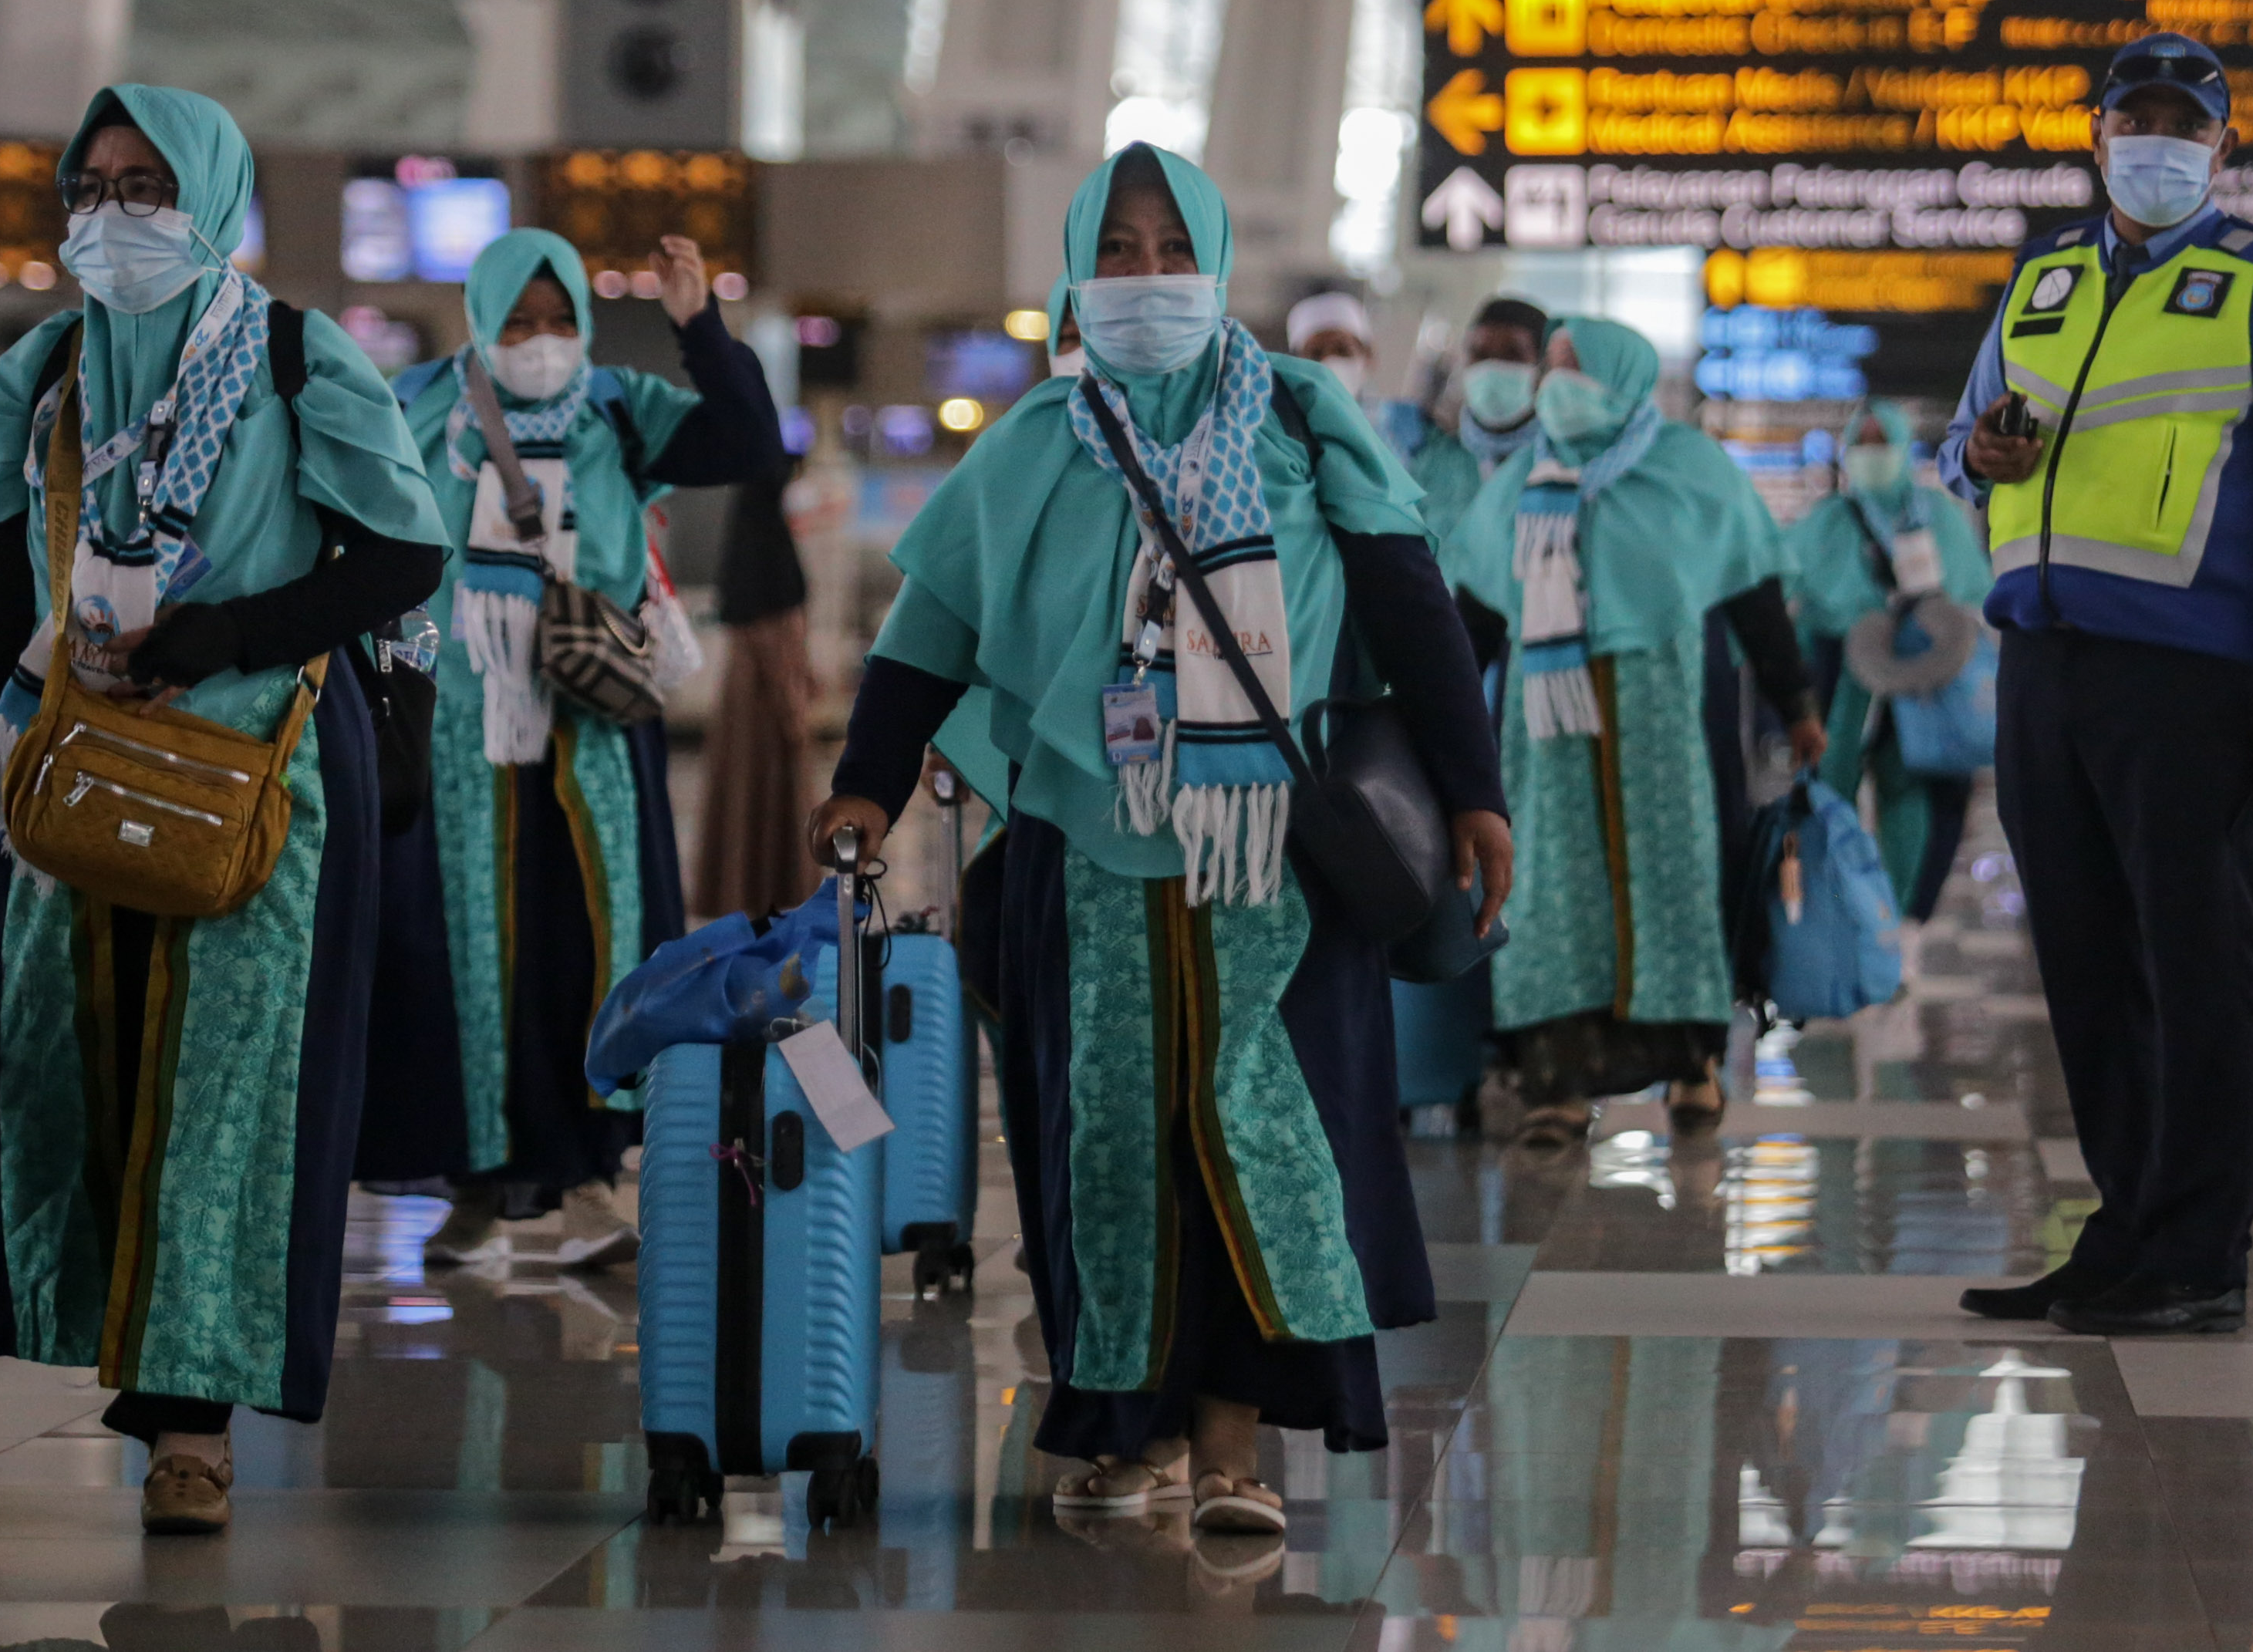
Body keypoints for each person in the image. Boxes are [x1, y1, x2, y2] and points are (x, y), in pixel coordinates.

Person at [807, 142, 1509, 1541]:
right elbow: (923, 637)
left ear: (1217, 265)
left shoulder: (1305, 424)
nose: (1143, 278)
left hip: (1275, 859)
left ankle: (1235, 1444)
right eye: (1116, 252)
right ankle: (1121, 1423)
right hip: (1091, 844)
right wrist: (865, 787)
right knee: (1106, 1138)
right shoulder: (1026, 451)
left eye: (1169, 249)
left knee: (1254, 1130)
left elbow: (1413, 606)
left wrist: (1476, 790)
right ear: (1075, 273)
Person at [0, 85, 447, 1536]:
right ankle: (89, 1352)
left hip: (258, 774)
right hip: (76, 766)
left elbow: (401, 553)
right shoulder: (48, 372)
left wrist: (218, 639)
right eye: (89, 190)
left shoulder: (288, 356)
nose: (113, 217)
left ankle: (190, 1428)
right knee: (55, 1068)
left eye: (147, 187)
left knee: (224, 1097)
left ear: (211, 198)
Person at [1942, 32, 2253, 1339]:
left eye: (2188, 121)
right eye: (2138, 117)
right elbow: (1967, 443)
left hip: (2191, 677)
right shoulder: (2044, 276)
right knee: (2085, 961)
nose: (2159, 138)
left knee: (2195, 964)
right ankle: (2127, 1227)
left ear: (2225, 149)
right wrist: (1987, 450)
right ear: (2098, 133)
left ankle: (2200, 1251)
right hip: (2044, 664)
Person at [366, 227, 783, 1270]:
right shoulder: (419, 403)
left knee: (593, 943)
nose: (543, 339)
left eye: (560, 320)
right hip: (458, 725)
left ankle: (594, 1174)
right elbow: (373, 541)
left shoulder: (616, 407)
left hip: (592, 724)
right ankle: (474, 1181)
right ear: (481, 317)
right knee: (458, 953)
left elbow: (746, 443)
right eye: (520, 319)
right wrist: (389, 679)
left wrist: (700, 327)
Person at [1442, 317, 1824, 1145]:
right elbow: (1470, 615)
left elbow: (1753, 593)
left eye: (1573, 367)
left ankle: (1692, 1065)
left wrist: (1796, 704)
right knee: (1551, 897)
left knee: (1673, 888)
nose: (1555, 384)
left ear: (1622, 376)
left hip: (1667, 728)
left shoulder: (1688, 470)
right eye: (1550, 367)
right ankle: (1555, 1084)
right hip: (1546, 747)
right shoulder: (1518, 488)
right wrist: (1429, 719)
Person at [1783, 400, 1995, 921]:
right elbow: (1790, 587)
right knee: (1832, 787)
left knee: (1914, 787)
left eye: (1883, 442)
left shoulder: (1936, 515)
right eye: (1863, 442)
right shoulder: (1828, 521)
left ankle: (1904, 918)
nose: (1872, 454)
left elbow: (1972, 591)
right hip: (1843, 668)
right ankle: (1840, 913)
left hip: (1926, 673)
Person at [691, 453, 818, 921]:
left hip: (742, 693)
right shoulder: (771, 545)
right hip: (768, 691)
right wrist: (793, 701)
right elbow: (778, 630)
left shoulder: (746, 540)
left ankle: (740, 890)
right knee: (769, 789)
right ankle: (774, 889)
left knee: (743, 793)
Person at [1409, 298, 1550, 555]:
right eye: (1481, 355)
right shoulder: (1432, 460)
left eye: (1513, 355)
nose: (1492, 368)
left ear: (1543, 368)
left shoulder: (1560, 463)